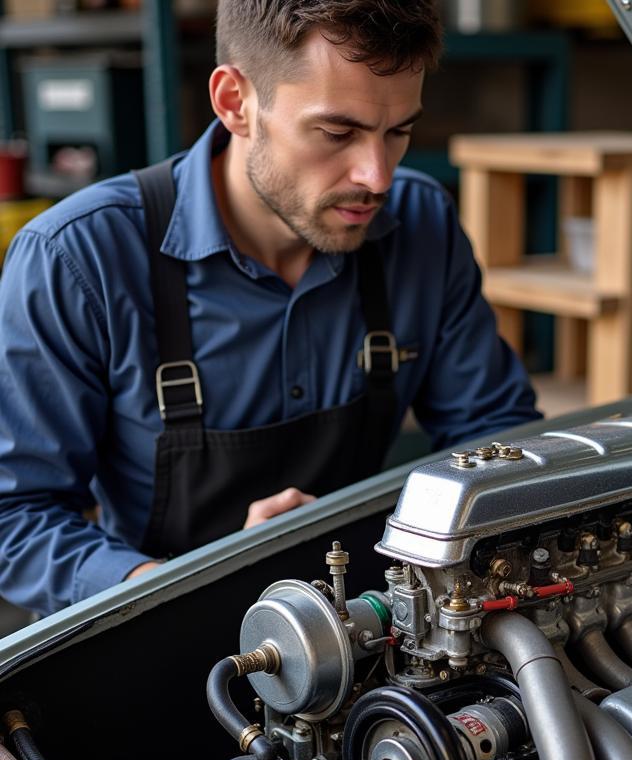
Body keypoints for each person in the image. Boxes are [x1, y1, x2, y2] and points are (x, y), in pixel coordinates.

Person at [0, 0, 540, 616]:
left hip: (372, 612)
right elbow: (15, 516)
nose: (378, 177)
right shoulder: (79, 257)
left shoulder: (421, 224)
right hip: (162, 624)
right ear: (235, 102)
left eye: (399, 132)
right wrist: (178, 587)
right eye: (338, 133)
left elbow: (497, 442)